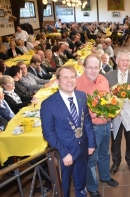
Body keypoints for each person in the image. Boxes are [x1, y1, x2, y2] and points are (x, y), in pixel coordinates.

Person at [41, 65, 96, 197]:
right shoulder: (48, 104)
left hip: (82, 148)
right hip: (63, 153)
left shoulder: (81, 96)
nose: (69, 81)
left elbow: (87, 121)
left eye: (72, 77)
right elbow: (48, 133)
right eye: (65, 77)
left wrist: (91, 142)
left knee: (80, 182)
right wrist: (64, 152)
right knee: (63, 186)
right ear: (58, 80)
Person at [76, 55, 118, 197]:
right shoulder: (78, 85)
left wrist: (111, 113)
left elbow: (109, 99)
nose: (93, 71)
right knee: (91, 160)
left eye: (96, 67)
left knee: (105, 154)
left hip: (106, 125)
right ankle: (92, 188)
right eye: (90, 67)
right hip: (91, 128)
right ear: (84, 67)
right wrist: (95, 115)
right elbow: (78, 111)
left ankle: (105, 176)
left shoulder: (103, 79)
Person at [105, 50, 130, 174]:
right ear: (116, 61)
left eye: (128, 60)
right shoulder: (108, 75)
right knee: (115, 139)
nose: (125, 63)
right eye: (122, 60)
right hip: (115, 115)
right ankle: (116, 162)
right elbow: (105, 95)